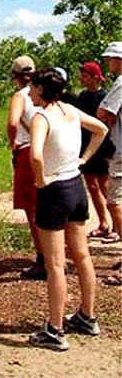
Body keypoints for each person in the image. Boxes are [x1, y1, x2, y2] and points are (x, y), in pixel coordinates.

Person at [27, 68, 108, 351]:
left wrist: (40, 180)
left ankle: (55, 328)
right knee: (82, 255)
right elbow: (102, 129)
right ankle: (87, 315)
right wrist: (83, 158)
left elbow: (35, 154)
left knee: (56, 264)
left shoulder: (41, 117)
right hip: (75, 188)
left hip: (54, 191)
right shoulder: (70, 110)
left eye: (32, 87)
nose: (29, 92)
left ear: (40, 89)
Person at [7, 55, 45, 280]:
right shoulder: (47, 92)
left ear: (15, 76)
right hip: (49, 152)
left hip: (28, 152)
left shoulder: (21, 96)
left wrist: (13, 144)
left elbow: (12, 122)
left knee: (33, 209)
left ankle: (43, 258)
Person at [75, 61, 113, 239]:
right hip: (86, 149)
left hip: (103, 148)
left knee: (106, 188)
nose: (82, 78)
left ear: (95, 78)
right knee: (92, 186)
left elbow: (108, 126)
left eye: (85, 75)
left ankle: (116, 226)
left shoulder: (105, 97)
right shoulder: (81, 97)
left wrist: (109, 151)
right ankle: (103, 223)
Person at [97, 41, 122, 284]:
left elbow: (104, 114)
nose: (108, 63)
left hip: (121, 151)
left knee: (115, 203)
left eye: (111, 58)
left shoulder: (121, 83)